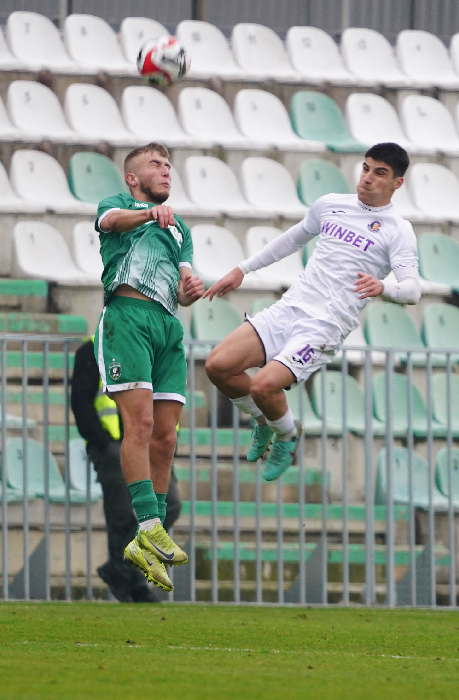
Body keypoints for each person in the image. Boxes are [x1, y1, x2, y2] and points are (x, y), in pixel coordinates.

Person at [204, 142, 421, 481]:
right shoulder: (330, 204)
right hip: (289, 308)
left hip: (324, 327)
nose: (367, 178)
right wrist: (243, 269)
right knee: (218, 366)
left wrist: (383, 287)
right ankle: (264, 421)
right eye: (366, 168)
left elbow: (412, 290)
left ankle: (288, 435)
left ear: (397, 183)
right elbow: (291, 240)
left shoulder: (398, 229)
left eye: (380, 173)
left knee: (263, 386)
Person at [94, 142, 204, 592]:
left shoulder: (179, 228)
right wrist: (146, 215)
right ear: (132, 178)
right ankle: (148, 525)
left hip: (167, 325)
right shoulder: (118, 206)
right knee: (138, 424)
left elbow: (181, 283)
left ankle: (148, 539)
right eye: (155, 164)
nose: (165, 170)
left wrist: (190, 288)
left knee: (166, 435)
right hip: (128, 319)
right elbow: (111, 222)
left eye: (168, 165)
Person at [71, 336, 182, 602]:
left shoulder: (156, 349)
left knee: (169, 504)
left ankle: (120, 568)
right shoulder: (92, 349)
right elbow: (80, 402)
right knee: (121, 515)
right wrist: (104, 444)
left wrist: (166, 443)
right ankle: (134, 586)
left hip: (150, 447)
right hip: (114, 446)